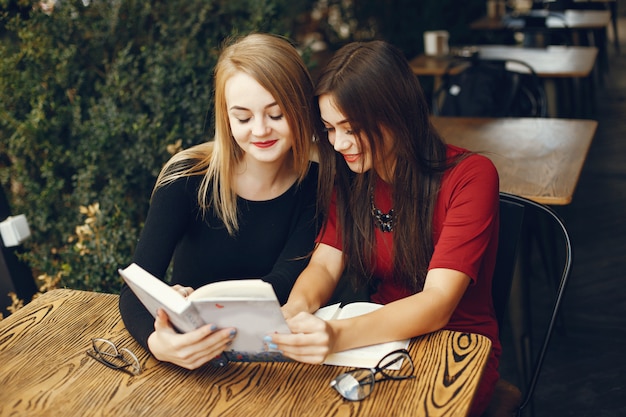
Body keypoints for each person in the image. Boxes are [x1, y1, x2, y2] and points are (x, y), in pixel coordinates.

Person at [267, 40, 501, 417]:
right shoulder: (352, 177)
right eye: (329, 129)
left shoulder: (470, 176)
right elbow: (325, 264)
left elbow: (437, 303)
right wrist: (296, 311)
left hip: (457, 349)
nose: (339, 143)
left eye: (352, 128)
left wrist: (335, 336)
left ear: (397, 112)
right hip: (376, 341)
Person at [119, 33, 320, 370]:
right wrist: (160, 344)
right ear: (226, 117)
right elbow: (136, 285)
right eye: (243, 118)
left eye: (276, 114)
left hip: (278, 369)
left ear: (300, 108)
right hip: (192, 365)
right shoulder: (185, 178)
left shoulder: (315, 183)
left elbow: (285, 280)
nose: (260, 130)